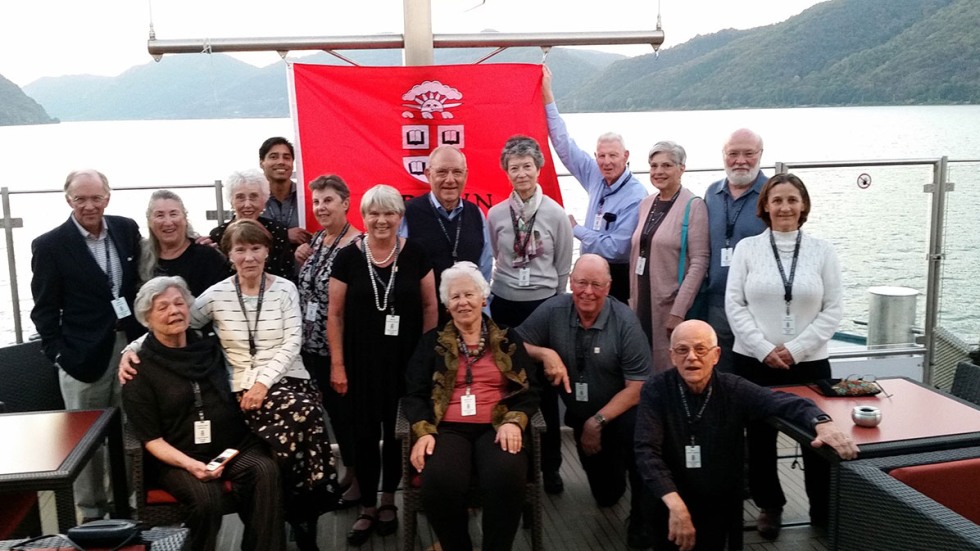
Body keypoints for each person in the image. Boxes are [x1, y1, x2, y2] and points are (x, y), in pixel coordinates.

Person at [122, 218, 340, 550]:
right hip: (220, 415)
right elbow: (172, 320)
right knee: (285, 440)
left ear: (268, 251)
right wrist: (131, 347)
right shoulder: (213, 298)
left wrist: (263, 383)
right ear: (230, 255)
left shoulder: (282, 290)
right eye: (241, 249)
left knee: (300, 422)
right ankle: (301, 506)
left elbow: (293, 340)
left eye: (256, 248)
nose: (249, 257)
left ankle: (300, 510)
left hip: (279, 385)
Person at [634, 320, 858, 551]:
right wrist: (676, 505)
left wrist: (822, 423)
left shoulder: (732, 388)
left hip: (717, 500)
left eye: (701, 349)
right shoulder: (657, 388)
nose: (691, 357)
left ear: (716, 355)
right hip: (669, 499)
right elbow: (646, 451)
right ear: (672, 355)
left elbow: (782, 402)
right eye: (682, 350)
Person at [122, 276, 285, 551]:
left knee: (265, 471)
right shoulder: (139, 370)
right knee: (205, 497)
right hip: (179, 458)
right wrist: (190, 464)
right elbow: (151, 440)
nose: (174, 311)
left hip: (232, 448)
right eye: (162, 307)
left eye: (179, 303)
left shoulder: (212, 348)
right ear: (147, 319)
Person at [726, 173, 843, 539]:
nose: (784, 207)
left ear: (804, 205)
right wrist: (763, 348)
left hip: (809, 362)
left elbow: (834, 308)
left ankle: (822, 510)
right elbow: (735, 304)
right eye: (776, 200)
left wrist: (795, 349)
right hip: (753, 360)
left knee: (818, 436)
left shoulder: (823, 251)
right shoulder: (747, 248)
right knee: (758, 438)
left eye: (792, 199)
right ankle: (770, 506)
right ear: (765, 207)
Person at [30, 169, 144, 522]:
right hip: (81, 358)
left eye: (97, 197)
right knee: (87, 443)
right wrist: (60, 355)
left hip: (128, 348)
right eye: (81, 198)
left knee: (129, 431)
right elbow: (44, 309)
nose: (90, 205)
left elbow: (150, 264)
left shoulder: (126, 229)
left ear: (108, 197)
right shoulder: (49, 245)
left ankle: (124, 508)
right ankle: (93, 517)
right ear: (68, 200)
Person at [517, 254, 653, 548]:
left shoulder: (626, 323)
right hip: (581, 416)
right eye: (581, 283)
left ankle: (643, 519)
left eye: (596, 284)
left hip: (620, 412)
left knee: (640, 446)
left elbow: (639, 387)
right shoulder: (553, 309)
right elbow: (513, 343)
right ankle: (613, 473)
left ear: (609, 286)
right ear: (570, 282)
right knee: (607, 495)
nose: (587, 291)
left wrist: (598, 421)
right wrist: (546, 354)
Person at [328, 184, 439, 546]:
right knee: (363, 434)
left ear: (399, 217)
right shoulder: (346, 257)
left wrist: (425, 358)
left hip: (405, 364)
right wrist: (338, 365)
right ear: (363, 216)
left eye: (389, 212)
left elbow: (429, 308)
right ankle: (367, 505)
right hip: (358, 364)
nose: (381, 220)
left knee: (396, 433)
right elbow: (335, 313)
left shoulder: (417, 254)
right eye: (373, 213)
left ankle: (390, 499)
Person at [404, 261, 541, 551]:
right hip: (448, 428)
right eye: (455, 297)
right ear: (446, 304)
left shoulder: (507, 339)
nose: (463, 302)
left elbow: (530, 389)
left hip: (497, 424)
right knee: (439, 481)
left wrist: (514, 421)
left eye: (469, 294)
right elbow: (414, 393)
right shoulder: (432, 343)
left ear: (483, 298)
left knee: (506, 475)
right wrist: (424, 431)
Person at [486, 135, 572, 494]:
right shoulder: (495, 214)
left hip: (544, 305)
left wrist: (553, 305)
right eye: (514, 167)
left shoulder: (554, 213)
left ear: (539, 169)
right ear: (506, 171)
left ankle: (550, 466)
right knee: (508, 383)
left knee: (544, 388)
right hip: (506, 303)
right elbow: (497, 256)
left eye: (527, 166)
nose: (521, 173)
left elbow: (563, 266)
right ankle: (514, 463)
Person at [541, 65, 647, 303]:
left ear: (626, 156)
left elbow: (617, 249)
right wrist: (548, 96)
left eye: (613, 155)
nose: (606, 162)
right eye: (601, 156)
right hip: (587, 269)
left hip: (615, 275)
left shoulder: (636, 195)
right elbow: (564, 145)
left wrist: (576, 229)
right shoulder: (595, 174)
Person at [294, 174, 362, 503]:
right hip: (312, 346)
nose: (321, 207)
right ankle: (350, 470)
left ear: (346, 203)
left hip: (343, 348)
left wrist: (340, 358)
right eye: (316, 202)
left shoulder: (357, 245)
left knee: (350, 414)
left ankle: (362, 476)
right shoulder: (318, 241)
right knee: (335, 415)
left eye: (328, 201)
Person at [629, 141, 709, 373]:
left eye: (666, 165)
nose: (658, 172)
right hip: (641, 301)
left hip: (668, 304)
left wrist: (678, 311)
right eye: (653, 166)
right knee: (641, 365)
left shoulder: (693, 206)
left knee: (668, 367)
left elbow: (699, 262)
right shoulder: (646, 204)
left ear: (681, 168)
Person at [401, 145, 493, 318]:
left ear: (465, 175)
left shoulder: (476, 213)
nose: (450, 180)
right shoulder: (409, 213)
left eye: (457, 172)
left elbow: (485, 269)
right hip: (424, 317)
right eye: (442, 172)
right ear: (428, 174)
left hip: (468, 317)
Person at [703, 129, 768, 373]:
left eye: (748, 153)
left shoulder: (772, 194)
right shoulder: (712, 193)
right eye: (733, 153)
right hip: (717, 303)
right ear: (723, 155)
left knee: (756, 374)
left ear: (760, 155)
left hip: (758, 306)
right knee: (720, 376)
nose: (740, 160)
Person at [139, 189, 230, 296]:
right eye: (160, 215)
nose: (168, 222)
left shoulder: (207, 257)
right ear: (149, 221)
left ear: (185, 218)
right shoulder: (141, 257)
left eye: (173, 214)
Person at [209, 169, 295, 281]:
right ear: (231, 201)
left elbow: (286, 274)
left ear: (264, 200)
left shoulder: (278, 231)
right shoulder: (219, 234)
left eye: (253, 196)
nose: (247, 204)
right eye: (240, 197)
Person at [259, 136, 312, 247]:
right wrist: (283, 235)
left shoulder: (307, 198)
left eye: (287, 157)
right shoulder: (254, 199)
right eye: (274, 157)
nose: (281, 162)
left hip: (303, 262)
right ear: (261, 163)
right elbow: (242, 232)